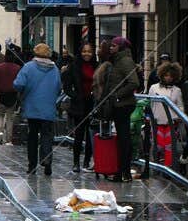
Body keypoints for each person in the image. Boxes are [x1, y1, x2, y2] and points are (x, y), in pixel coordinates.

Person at [13, 44, 64, 176]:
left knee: (32, 137)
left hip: (32, 108)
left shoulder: (28, 67)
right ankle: (47, 161)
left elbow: (18, 84)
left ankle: (32, 165)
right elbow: (59, 87)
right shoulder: (55, 70)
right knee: (47, 136)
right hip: (48, 109)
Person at [95, 36, 141, 181]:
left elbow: (134, 82)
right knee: (122, 138)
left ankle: (124, 172)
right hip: (118, 104)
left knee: (124, 139)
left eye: (114, 45)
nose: (111, 47)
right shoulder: (116, 60)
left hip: (123, 105)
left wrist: (117, 95)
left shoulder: (125, 61)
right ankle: (122, 171)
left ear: (121, 47)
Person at [62, 40, 98, 171]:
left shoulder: (96, 65)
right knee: (79, 134)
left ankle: (87, 161)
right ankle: (76, 162)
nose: (86, 54)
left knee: (91, 135)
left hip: (92, 103)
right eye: (84, 51)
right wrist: (75, 95)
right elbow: (66, 86)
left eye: (89, 51)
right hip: (79, 103)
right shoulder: (74, 66)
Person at [146, 60, 185, 169]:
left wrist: (179, 117)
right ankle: (157, 166)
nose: (168, 78)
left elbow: (180, 106)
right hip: (156, 121)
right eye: (166, 75)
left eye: (171, 76)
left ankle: (168, 168)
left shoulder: (177, 90)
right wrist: (148, 117)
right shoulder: (154, 88)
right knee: (157, 146)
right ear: (161, 75)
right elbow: (149, 103)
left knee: (169, 146)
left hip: (171, 122)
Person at [0, 47, 22, 145]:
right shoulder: (17, 68)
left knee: (0, 115)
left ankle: (0, 132)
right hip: (12, 94)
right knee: (10, 117)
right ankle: (9, 140)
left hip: (0, 94)